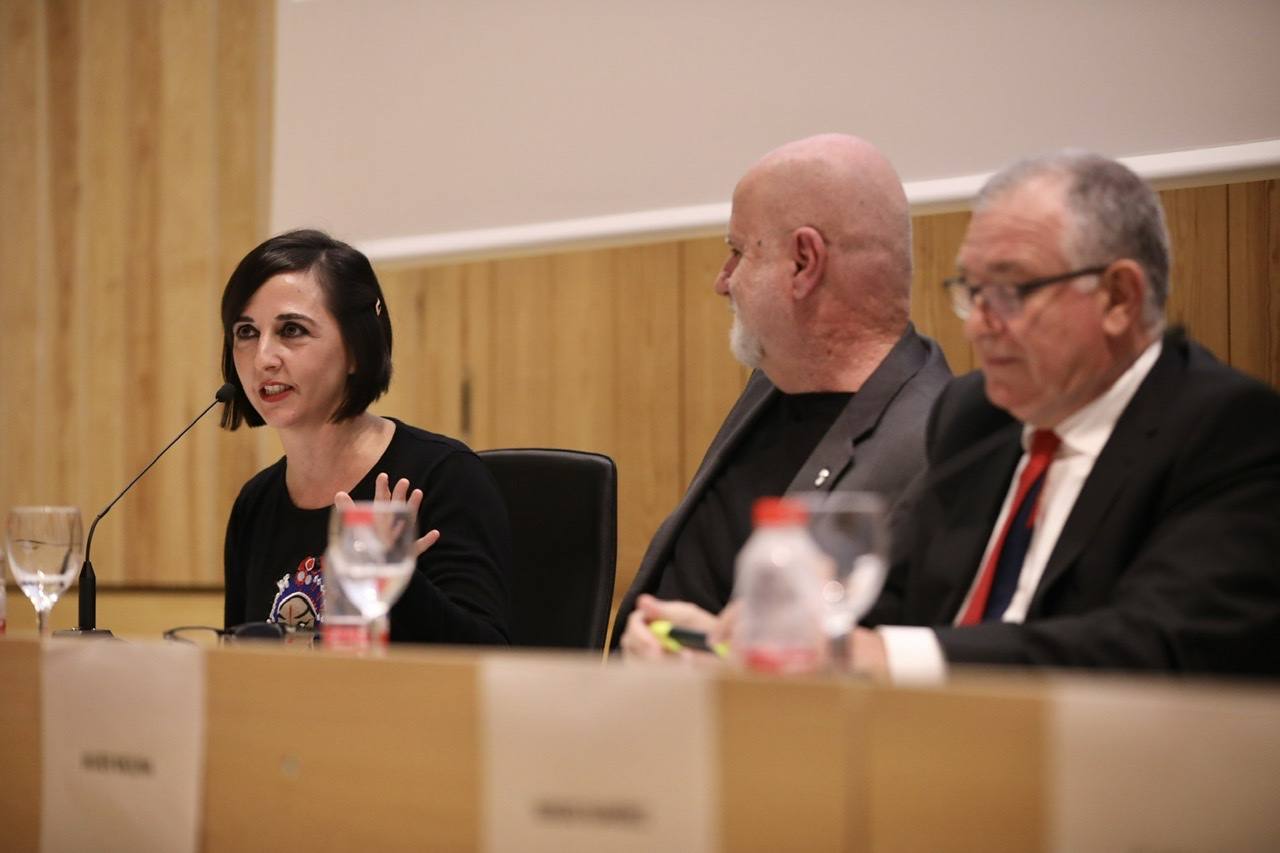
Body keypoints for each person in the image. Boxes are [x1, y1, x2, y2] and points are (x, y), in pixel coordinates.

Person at [853, 151, 1280, 681]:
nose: (978, 327)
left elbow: (1155, 645)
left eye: (1011, 291)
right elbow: (892, 595)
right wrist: (788, 625)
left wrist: (895, 657)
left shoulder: (1227, 430)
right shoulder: (976, 414)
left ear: (1119, 296)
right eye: (973, 292)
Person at [616, 134, 952, 657]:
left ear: (803, 263)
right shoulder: (774, 381)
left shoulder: (936, 437)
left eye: (736, 252)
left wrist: (713, 664)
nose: (721, 281)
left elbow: (875, 671)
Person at [220, 229, 511, 644]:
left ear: (356, 349)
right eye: (246, 332)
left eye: (292, 330)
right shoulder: (255, 503)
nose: (263, 358)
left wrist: (396, 584)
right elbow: (240, 661)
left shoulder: (442, 476)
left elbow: (488, 659)